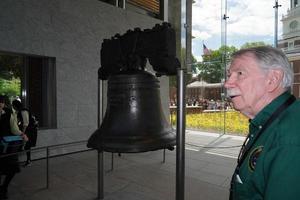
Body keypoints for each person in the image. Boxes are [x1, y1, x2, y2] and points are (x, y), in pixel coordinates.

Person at [225, 46, 300, 200]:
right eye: (229, 75)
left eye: (240, 74)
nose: (227, 84)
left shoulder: (288, 139)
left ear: (272, 80)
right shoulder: (272, 121)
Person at [0, 95, 28, 199]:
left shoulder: (9, 113)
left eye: (1, 102)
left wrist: (22, 134)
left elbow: (14, 128)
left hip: (6, 144)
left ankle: (4, 187)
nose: (0, 104)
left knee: (12, 167)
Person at [12, 100, 37, 167]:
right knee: (25, 146)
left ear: (15, 105)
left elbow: (25, 123)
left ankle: (28, 161)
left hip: (30, 130)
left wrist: (23, 132)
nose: (13, 107)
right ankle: (26, 161)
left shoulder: (23, 111)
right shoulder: (20, 111)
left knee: (27, 146)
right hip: (28, 130)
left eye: (13, 105)